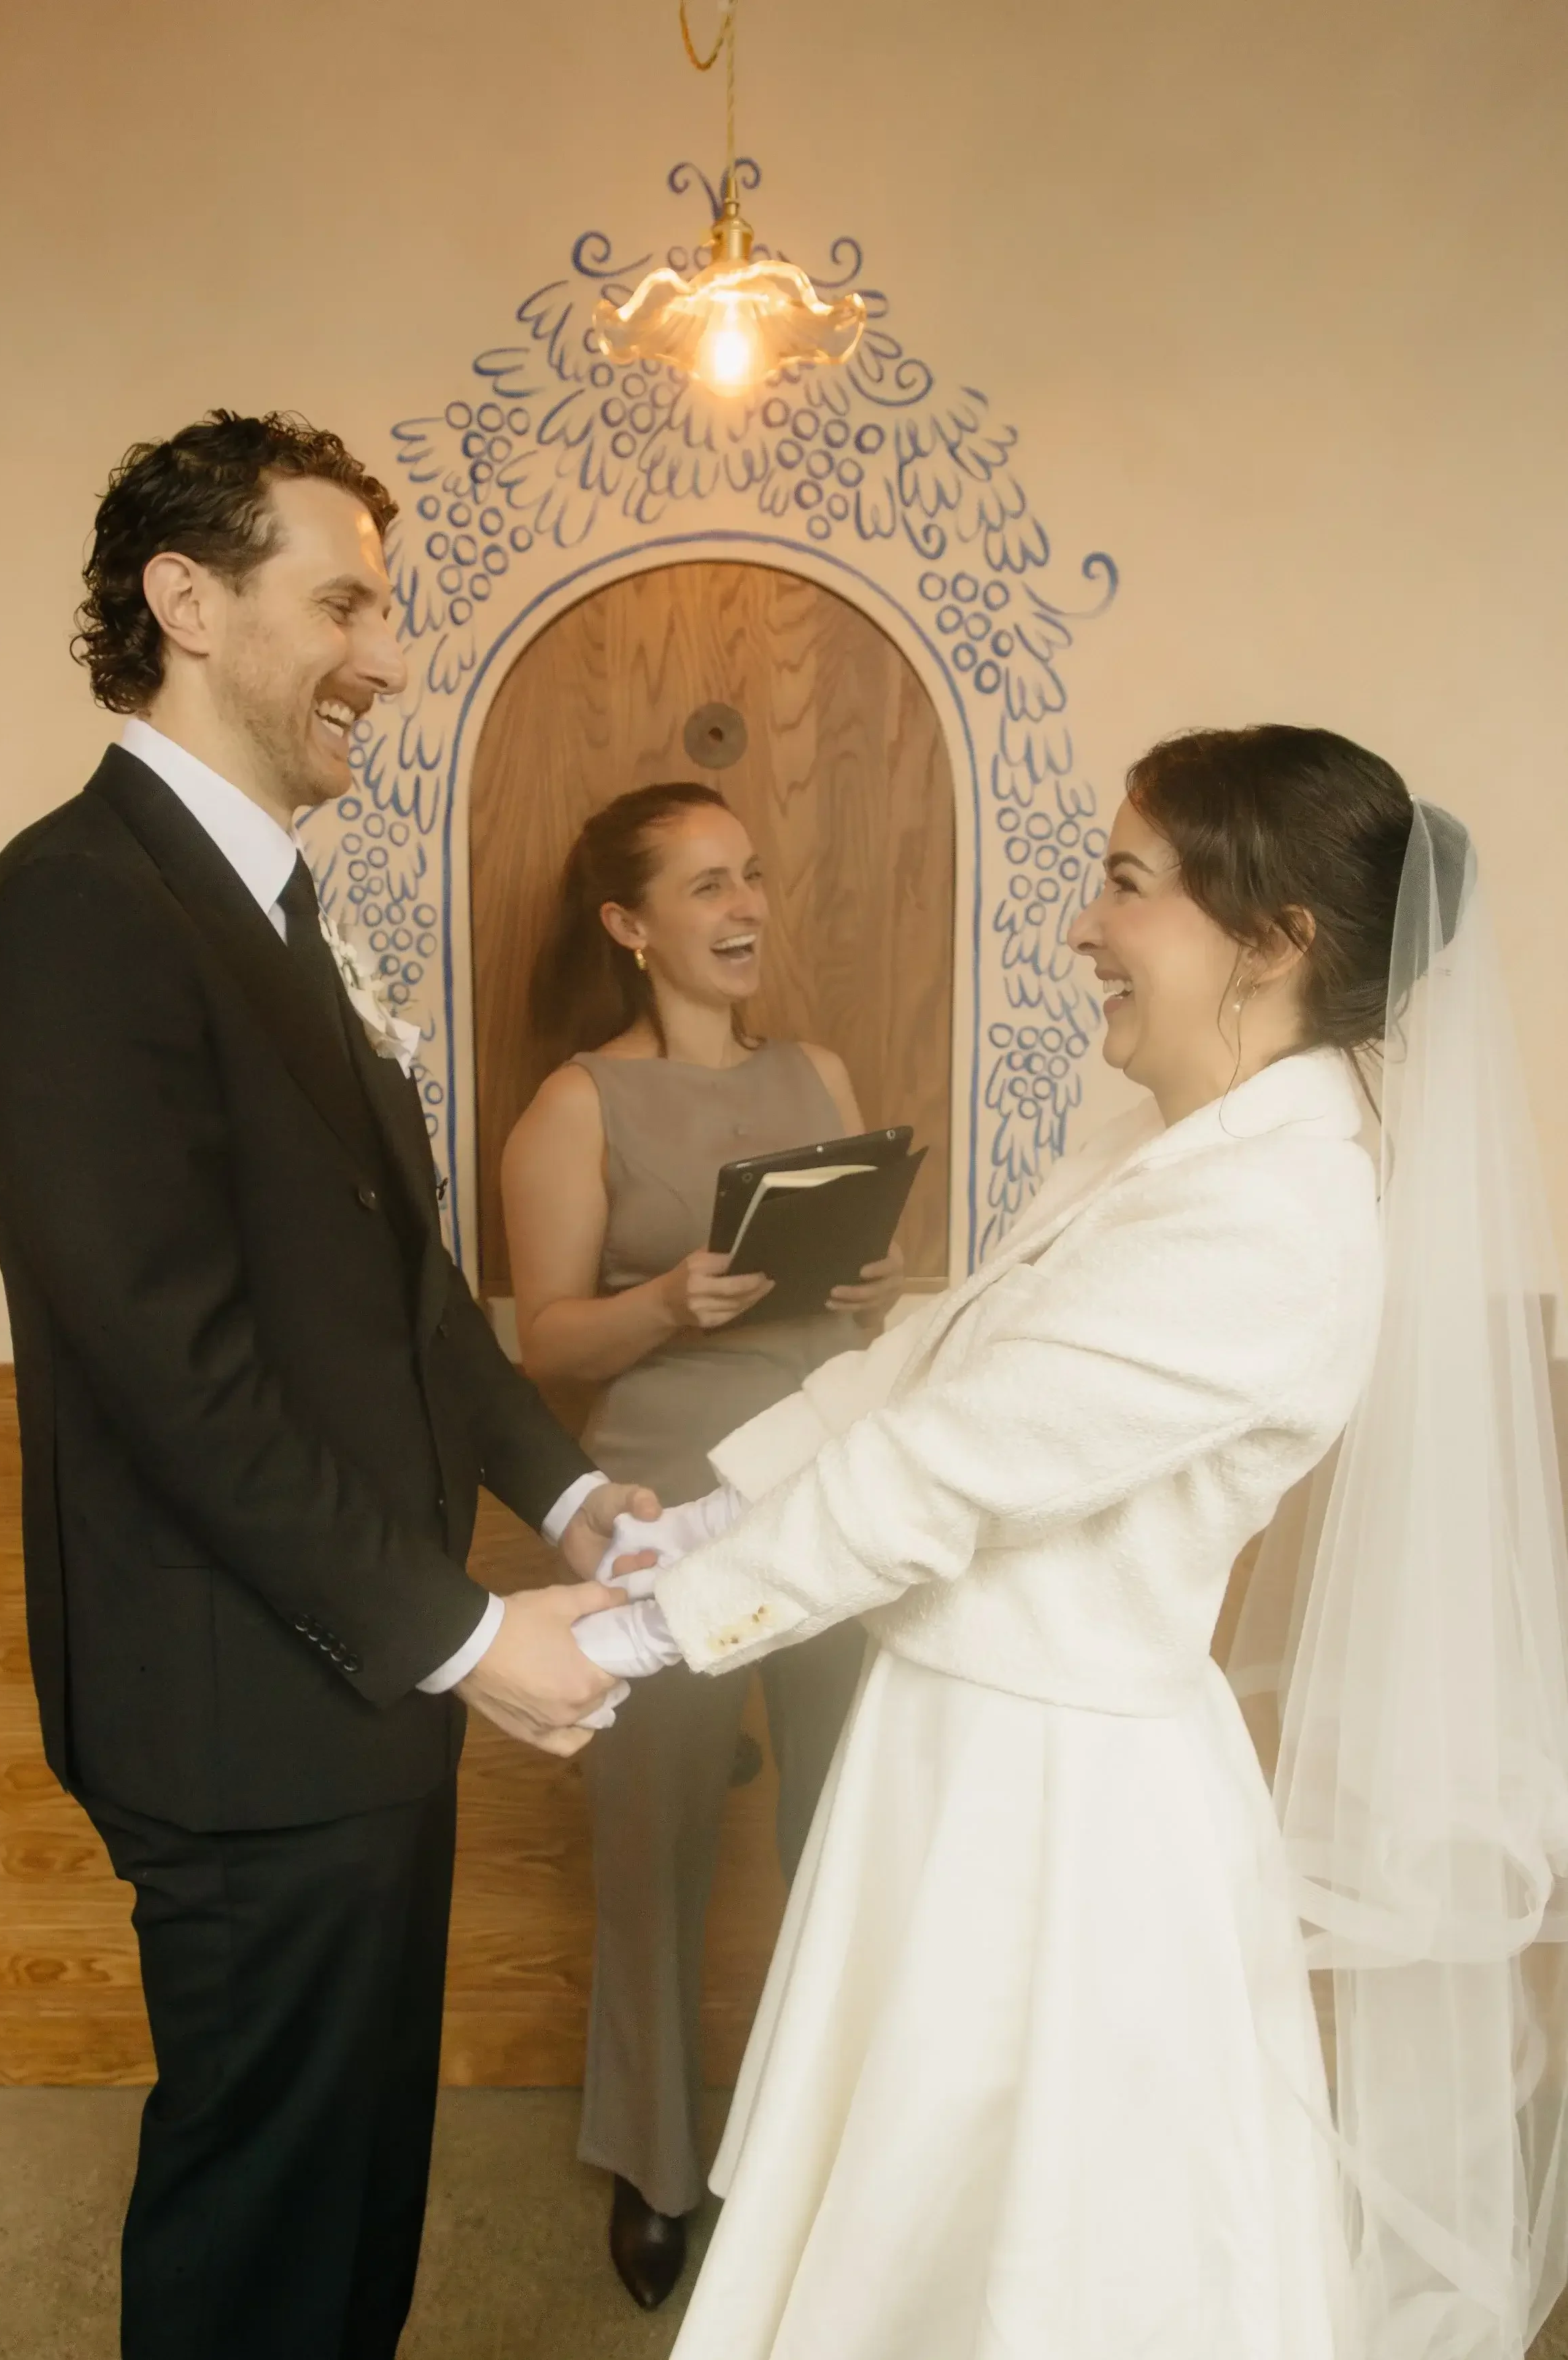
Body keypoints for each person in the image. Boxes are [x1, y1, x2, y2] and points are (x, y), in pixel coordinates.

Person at [582, 726, 1568, 2357]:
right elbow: (922, 1370)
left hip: (1056, 1803)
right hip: (961, 1745)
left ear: (1268, 939)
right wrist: (693, 1517)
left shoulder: (1275, 1213)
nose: (1079, 931)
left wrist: (636, 1631)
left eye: (1123, 884)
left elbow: (956, 1466)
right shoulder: (1162, 1147)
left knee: (1024, 2240)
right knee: (892, 2212)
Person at [0, 410, 660, 2360]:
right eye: (342, 599)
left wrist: (569, 1496)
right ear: (186, 599)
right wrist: (454, 1630)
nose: (389, 653)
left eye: (387, 605)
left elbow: (406, 1287)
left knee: (350, 2209)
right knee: (261, 2238)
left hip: (353, 1688)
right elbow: (169, 1369)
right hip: (244, 1705)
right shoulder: (76, 908)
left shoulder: (268, 904)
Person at [500, 781, 903, 2307]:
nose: (744, 907)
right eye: (705, 885)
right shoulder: (574, 1104)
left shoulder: (820, 1069)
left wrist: (866, 1294)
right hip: (662, 1503)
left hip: (834, 1488)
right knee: (653, 1847)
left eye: (752, 876)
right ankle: (655, 2165)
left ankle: (824, 2156)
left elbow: (851, 1262)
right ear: (628, 923)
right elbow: (543, 1349)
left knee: (839, 1830)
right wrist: (668, 1303)